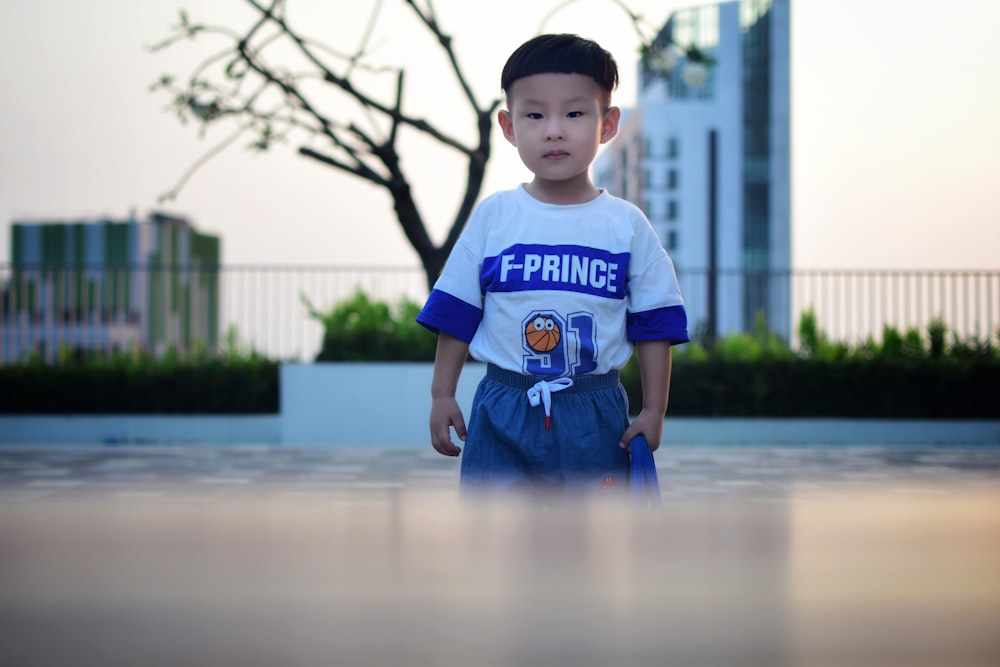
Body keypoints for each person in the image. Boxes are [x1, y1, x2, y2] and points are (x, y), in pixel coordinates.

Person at [416, 33, 689, 494]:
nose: (554, 129)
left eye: (575, 113)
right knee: (494, 541)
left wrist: (653, 410)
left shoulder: (626, 225)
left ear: (608, 124)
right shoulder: (495, 217)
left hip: (595, 410)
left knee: (589, 547)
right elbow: (457, 312)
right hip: (503, 405)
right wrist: (442, 395)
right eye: (535, 114)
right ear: (508, 126)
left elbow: (654, 323)